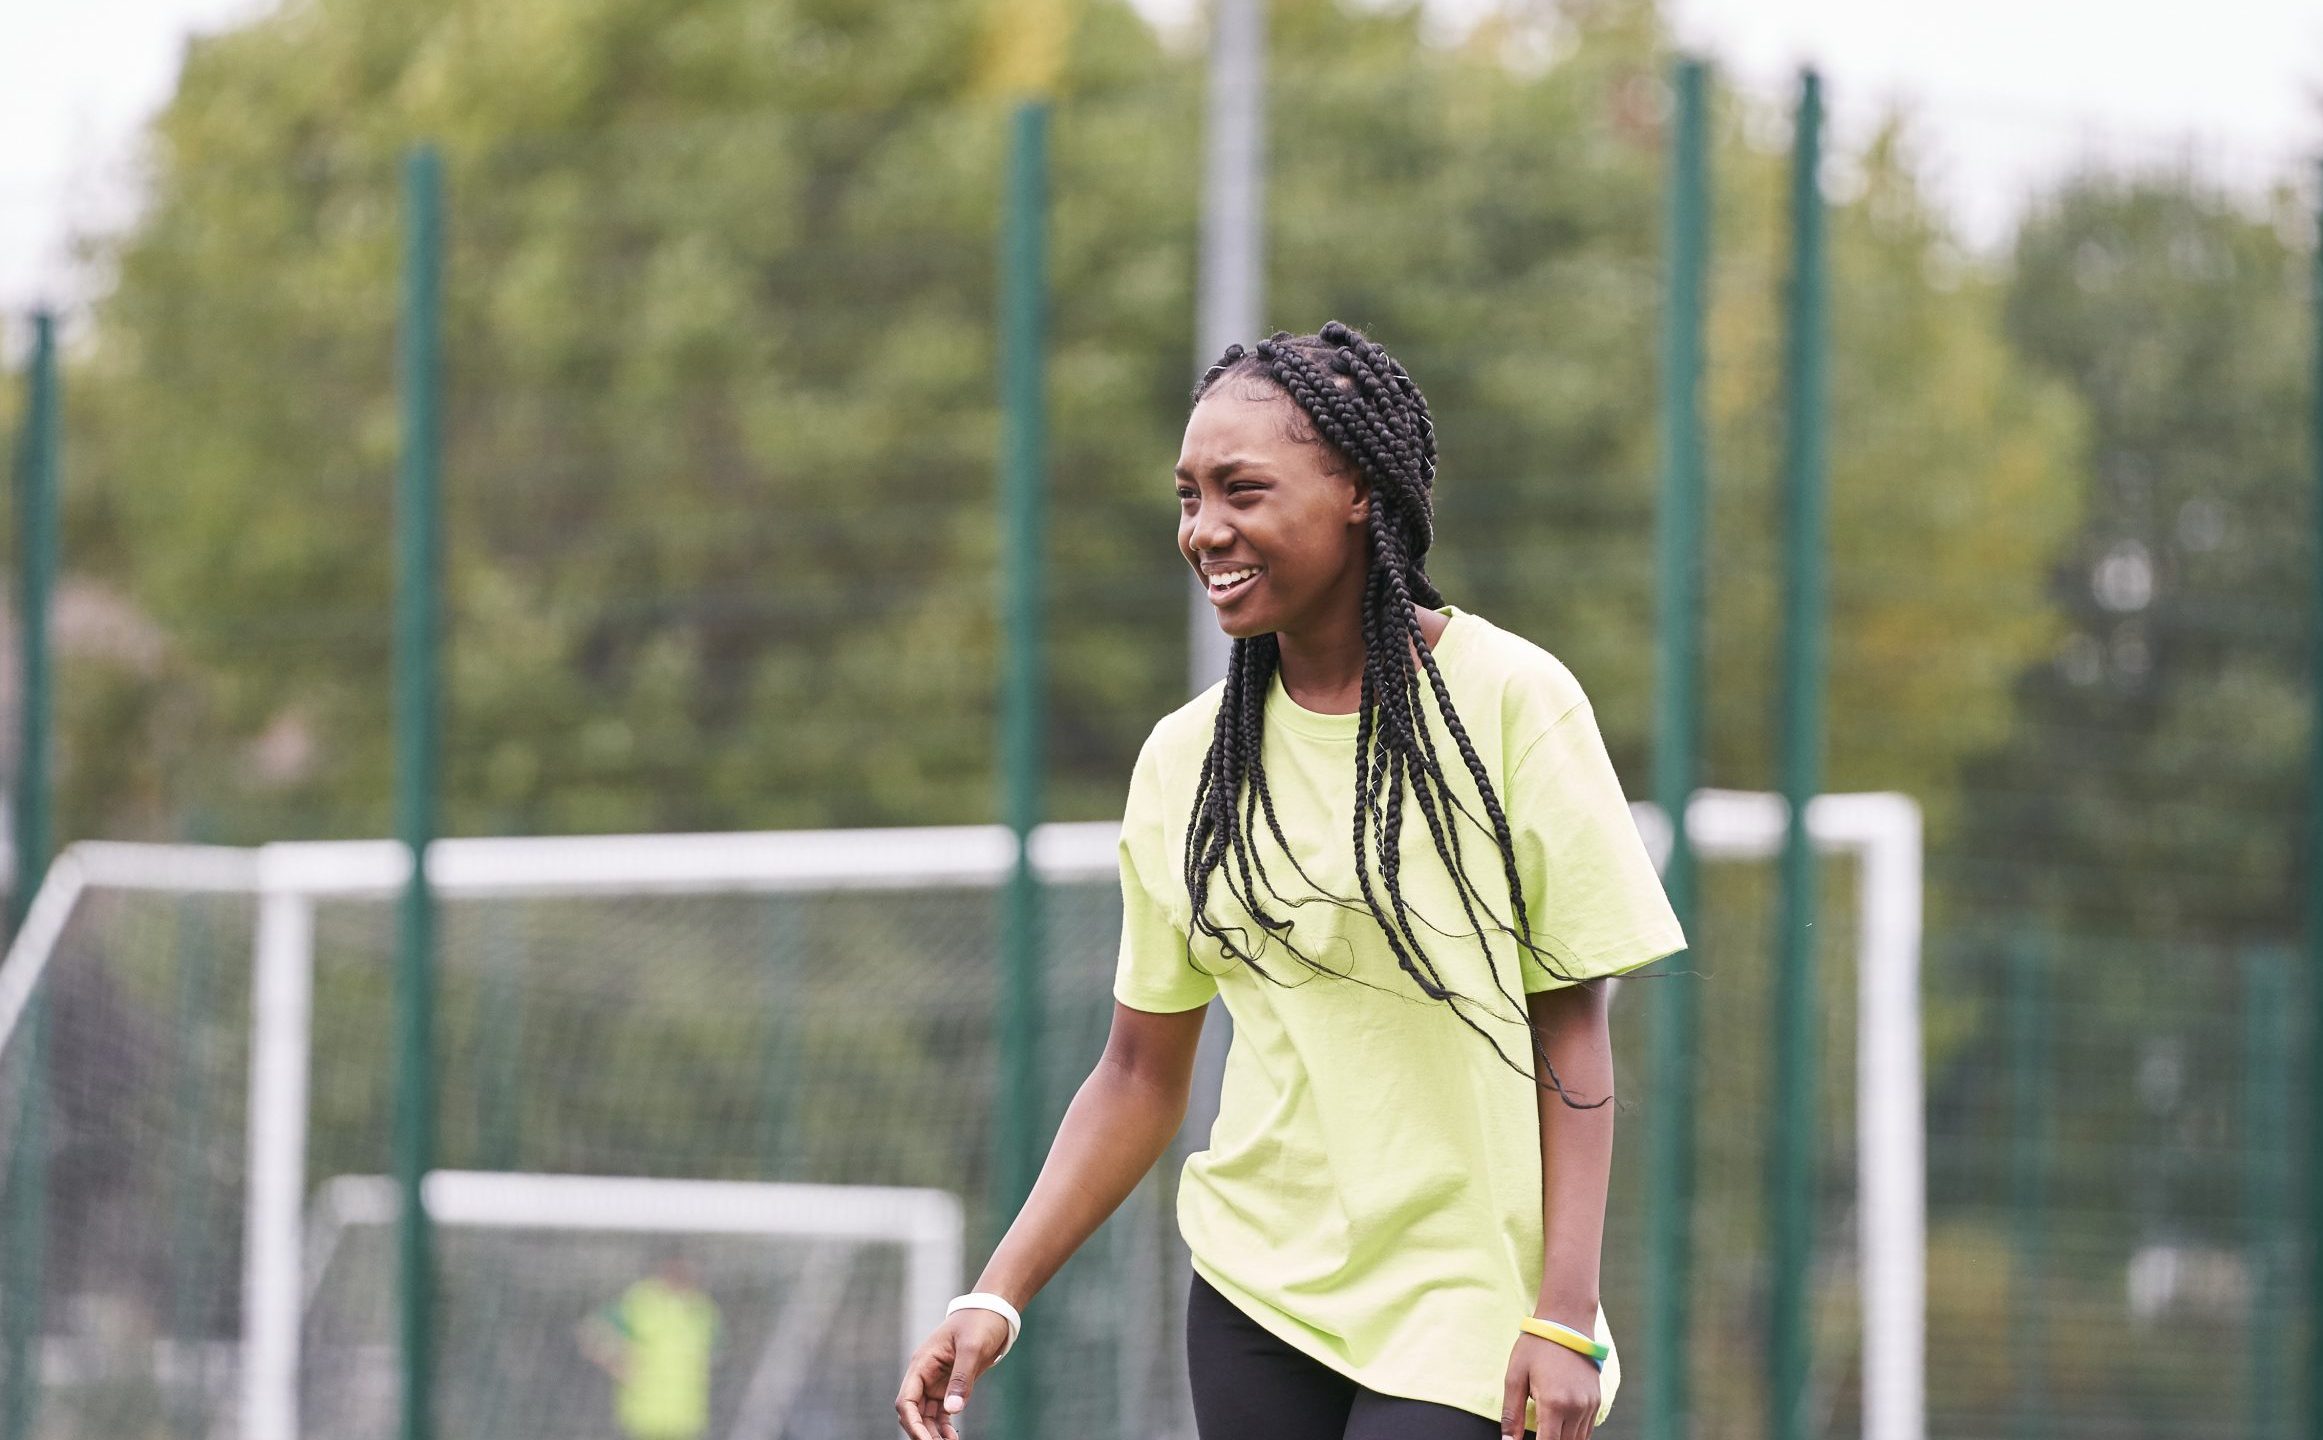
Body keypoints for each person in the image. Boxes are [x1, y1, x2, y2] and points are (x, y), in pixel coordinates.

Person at [894, 322, 1685, 1440]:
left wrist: (1561, 1316)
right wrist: (996, 1294)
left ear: (1357, 491)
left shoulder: (1512, 701)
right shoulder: (1186, 761)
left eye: (1243, 490)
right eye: (1188, 497)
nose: (1205, 529)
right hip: (1256, 1289)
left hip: (1469, 1301)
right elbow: (1134, 1072)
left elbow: (1573, 1033)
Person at [578, 1250, 722, 1440]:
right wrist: (618, 1364)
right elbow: (591, 1330)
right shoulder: (640, 1300)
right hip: (644, 1418)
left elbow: (716, 1351)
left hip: (687, 1418)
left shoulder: (703, 1308)